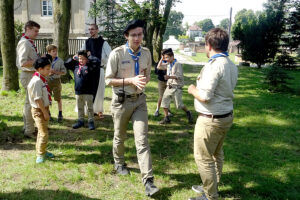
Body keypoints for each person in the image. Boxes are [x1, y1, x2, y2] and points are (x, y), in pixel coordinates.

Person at [105, 19, 159, 197]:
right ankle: (119, 162)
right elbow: (108, 80)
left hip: (140, 102)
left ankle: (148, 181)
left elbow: (148, 75)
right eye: (133, 35)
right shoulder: (117, 54)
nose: (137, 38)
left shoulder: (146, 53)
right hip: (121, 101)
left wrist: (142, 82)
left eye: (140, 34)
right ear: (126, 36)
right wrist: (130, 81)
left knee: (142, 140)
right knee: (119, 136)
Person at [187, 28, 238, 200]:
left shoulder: (215, 65)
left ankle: (210, 195)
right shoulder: (230, 64)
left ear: (208, 45)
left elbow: (205, 96)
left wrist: (193, 90)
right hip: (225, 116)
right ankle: (212, 185)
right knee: (217, 153)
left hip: (211, 119)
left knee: (203, 158)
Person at [27, 56, 55, 163]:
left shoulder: (41, 79)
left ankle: (42, 150)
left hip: (44, 109)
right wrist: (45, 113)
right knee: (43, 133)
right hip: (39, 110)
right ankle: (40, 155)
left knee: (41, 132)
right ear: (40, 69)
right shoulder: (36, 81)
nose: (49, 71)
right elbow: (38, 100)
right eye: (47, 69)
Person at [16, 20, 40, 139]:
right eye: (35, 31)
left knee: (29, 102)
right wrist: (38, 61)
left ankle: (28, 127)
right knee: (31, 104)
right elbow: (23, 63)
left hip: (31, 75)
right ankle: (29, 131)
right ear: (28, 29)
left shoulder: (28, 42)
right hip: (28, 75)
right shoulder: (24, 43)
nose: (37, 33)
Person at [81, 24, 112, 119]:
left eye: (93, 29)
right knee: (89, 90)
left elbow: (110, 56)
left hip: (99, 69)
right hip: (89, 69)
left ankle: (99, 110)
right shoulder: (87, 42)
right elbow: (81, 54)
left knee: (100, 90)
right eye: (89, 29)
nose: (91, 31)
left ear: (97, 30)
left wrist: (104, 64)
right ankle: (90, 109)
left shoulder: (103, 43)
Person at [65, 50, 99, 130]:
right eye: (79, 58)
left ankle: (91, 121)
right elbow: (66, 64)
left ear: (87, 59)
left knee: (89, 108)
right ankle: (80, 120)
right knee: (80, 107)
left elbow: (97, 61)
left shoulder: (91, 66)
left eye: (83, 59)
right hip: (78, 91)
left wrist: (89, 56)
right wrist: (73, 58)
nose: (81, 60)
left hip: (88, 91)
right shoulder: (76, 66)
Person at [158, 48, 193, 124]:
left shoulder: (178, 64)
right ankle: (166, 118)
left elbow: (179, 76)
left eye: (167, 57)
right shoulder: (168, 64)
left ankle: (188, 112)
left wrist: (169, 77)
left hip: (176, 87)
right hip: (169, 87)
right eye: (165, 58)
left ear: (172, 56)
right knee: (164, 103)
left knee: (179, 105)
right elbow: (159, 67)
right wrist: (162, 58)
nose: (166, 59)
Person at [46, 44, 67, 123]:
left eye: (56, 51)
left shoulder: (60, 61)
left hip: (56, 80)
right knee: (46, 98)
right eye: (53, 51)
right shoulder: (46, 60)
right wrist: (48, 73)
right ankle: (48, 114)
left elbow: (64, 72)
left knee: (58, 98)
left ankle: (60, 113)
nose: (55, 53)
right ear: (49, 52)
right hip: (47, 80)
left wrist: (55, 72)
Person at [153, 50, 172, 117]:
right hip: (161, 81)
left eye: (166, 56)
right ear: (161, 56)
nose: (165, 57)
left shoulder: (170, 63)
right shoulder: (159, 63)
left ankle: (168, 111)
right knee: (161, 96)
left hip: (168, 82)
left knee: (167, 96)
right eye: (163, 55)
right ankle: (157, 110)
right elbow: (156, 71)